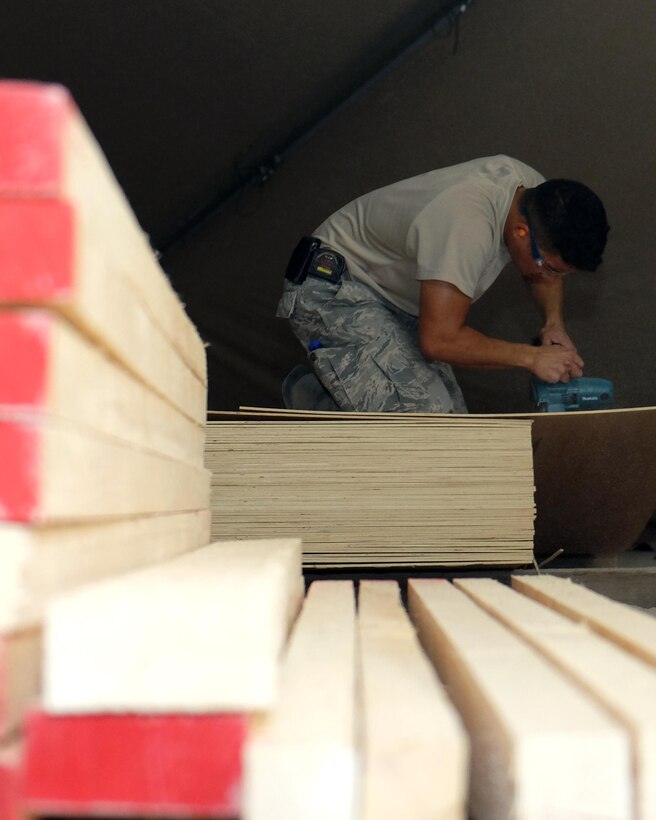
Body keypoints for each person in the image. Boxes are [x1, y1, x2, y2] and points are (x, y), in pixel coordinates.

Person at [277, 155, 609, 413]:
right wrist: (531, 358)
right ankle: (328, 407)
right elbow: (439, 340)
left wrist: (553, 323)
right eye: (549, 268)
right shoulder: (465, 225)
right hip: (335, 289)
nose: (550, 279)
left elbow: (542, 268)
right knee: (427, 423)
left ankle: (347, 398)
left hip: (398, 303)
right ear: (521, 231)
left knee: (453, 423)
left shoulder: (537, 196)